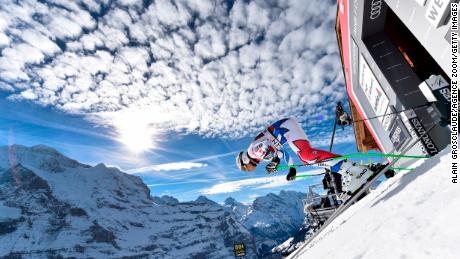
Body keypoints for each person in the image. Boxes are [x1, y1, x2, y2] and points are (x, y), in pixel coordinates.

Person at [235, 117, 379, 195]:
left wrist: (275, 160)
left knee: (308, 155)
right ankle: (348, 171)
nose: (249, 170)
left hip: (286, 128)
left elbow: (267, 145)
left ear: (245, 160)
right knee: (306, 159)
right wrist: (292, 169)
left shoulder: (253, 152)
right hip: (287, 131)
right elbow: (282, 153)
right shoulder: (258, 155)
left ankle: (355, 170)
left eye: (245, 168)